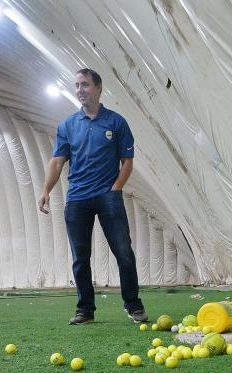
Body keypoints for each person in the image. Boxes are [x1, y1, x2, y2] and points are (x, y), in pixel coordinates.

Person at [38, 68, 148, 325]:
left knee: (123, 252)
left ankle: (133, 305)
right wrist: (45, 191)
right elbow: (56, 162)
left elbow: (127, 161)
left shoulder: (116, 122)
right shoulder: (67, 125)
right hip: (77, 199)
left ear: (98, 88)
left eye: (85, 85)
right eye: (76, 86)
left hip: (108, 196)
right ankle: (85, 310)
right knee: (80, 257)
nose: (80, 90)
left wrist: (116, 187)